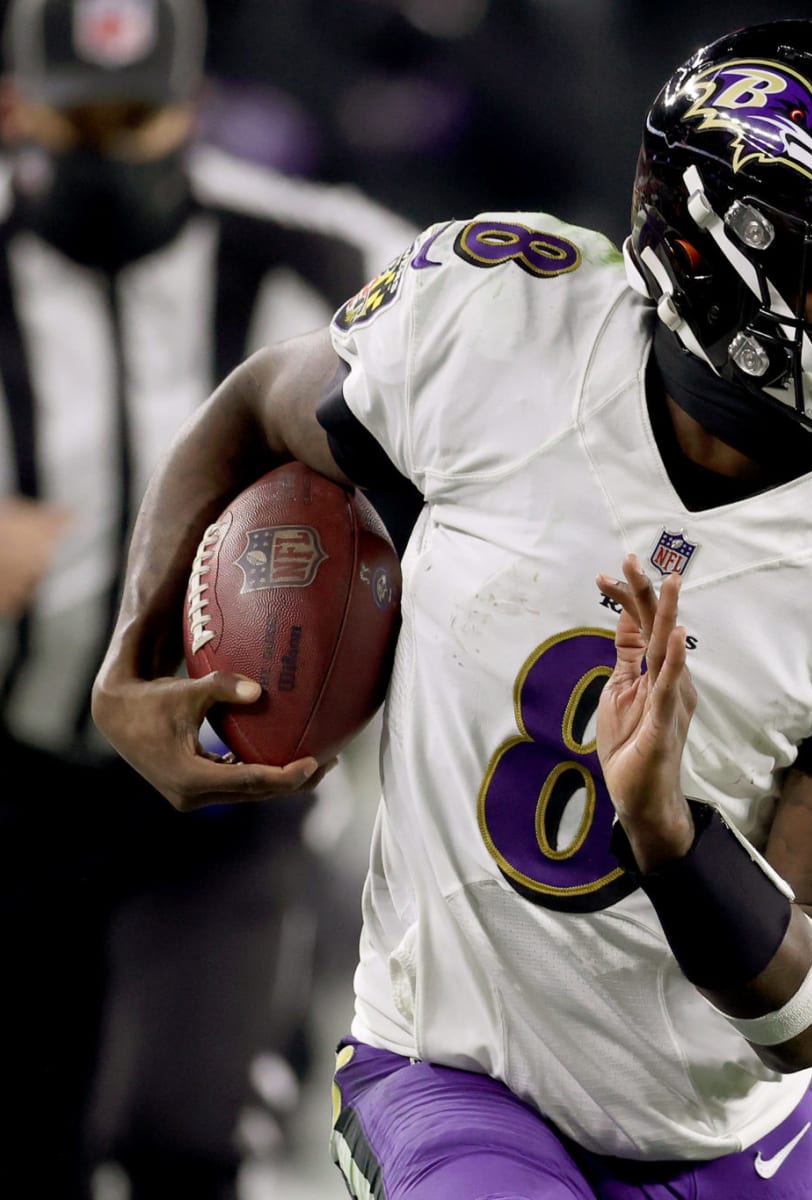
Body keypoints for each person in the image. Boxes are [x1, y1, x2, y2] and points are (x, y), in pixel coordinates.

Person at [91, 19, 812, 1198]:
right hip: (452, 1071)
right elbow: (255, 404)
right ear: (709, 257)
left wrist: (672, 834)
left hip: (726, 1137)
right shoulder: (498, 332)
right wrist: (135, 654)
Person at [0, 0, 414, 1196]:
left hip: (225, 796)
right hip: (15, 783)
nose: (108, 148)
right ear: (19, 105)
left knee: (180, 1139)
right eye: (80, 118)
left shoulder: (326, 256)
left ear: (190, 105)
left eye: (135, 116)